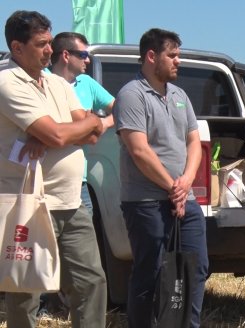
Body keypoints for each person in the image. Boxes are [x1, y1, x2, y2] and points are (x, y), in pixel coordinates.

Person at [0, 10, 107, 328]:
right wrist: (64, 132)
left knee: (91, 282)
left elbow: (94, 128)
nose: (50, 50)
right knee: (25, 291)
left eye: (50, 42)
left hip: (72, 202)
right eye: (41, 44)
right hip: (29, 205)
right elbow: (65, 132)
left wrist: (52, 136)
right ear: (17, 48)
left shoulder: (57, 83)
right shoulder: (7, 83)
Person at [113, 28, 208, 328]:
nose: (179, 61)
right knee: (150, 275)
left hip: (185, 201)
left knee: (195, 269)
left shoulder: (180, 95)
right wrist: (172, 187)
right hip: (146, 202)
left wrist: (186, 182)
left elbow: (194, 142)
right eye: (173, 55)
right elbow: (139, 150)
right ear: (151, 56)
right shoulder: (131, 95)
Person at [50, 31, 115, 216]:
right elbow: (52, 132)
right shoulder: (42, 80)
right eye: (83, 55)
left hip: (80, 183)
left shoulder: (87, 83)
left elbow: (123, 109)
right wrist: (86, 126)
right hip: (44, 182)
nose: (87, 61)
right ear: (65, 55)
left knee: (85, 243)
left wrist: (102, 123)